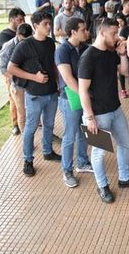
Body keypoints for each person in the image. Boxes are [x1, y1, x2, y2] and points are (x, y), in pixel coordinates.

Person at [78, 17, 129, 204]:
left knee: (125, 142)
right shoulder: (88, 57)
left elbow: (124, 71)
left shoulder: (110, 52)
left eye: (117, 33)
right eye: (113, 33)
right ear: (102, 33)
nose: (117, 36)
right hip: (97, 115)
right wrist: (89, 117)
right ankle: (102, 185)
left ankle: (124, 178)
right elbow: (82, 90)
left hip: (115, 110)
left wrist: (123, 53)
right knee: (99, 153)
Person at [8, 11, 61, 177]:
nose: (49, 27)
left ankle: (47, 151)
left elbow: (52, 64)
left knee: (49, 124)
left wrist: (58, 82)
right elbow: (11, 68)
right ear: (35, 26)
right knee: (30, 128)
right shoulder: (24, 46)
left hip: (52, 92)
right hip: (34, 95)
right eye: (45, 24)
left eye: (49, 23)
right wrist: (34, 77)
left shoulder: (51, 43)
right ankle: (28, 159)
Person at [55, 18, 93, 188]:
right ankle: (67, 170)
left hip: (84, 95)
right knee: (70, 135)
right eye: (83, 29)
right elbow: (68, 79)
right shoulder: (62, 50)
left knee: (84, 131)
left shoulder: (86, 48)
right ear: (73, 32)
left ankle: (83, 161)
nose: (87, 32)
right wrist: (85, 96)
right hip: (69, 96)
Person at [0, 23, 33, 135]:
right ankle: (25, 138)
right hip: (17, 85)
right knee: (21, 112)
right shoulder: (8, 47)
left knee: (32, 112)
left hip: (31, 83)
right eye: (23, 39)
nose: (25, 42)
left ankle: (32, 133)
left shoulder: (31, 41)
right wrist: (15, 78)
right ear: (17, 34)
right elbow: (3, 67)